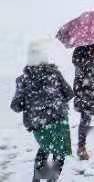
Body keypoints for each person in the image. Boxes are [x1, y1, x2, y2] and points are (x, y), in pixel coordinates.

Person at [11, 40, 73, 181]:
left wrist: (28, 101)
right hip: (59, 120)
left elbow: (16, 106)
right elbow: (69, 93)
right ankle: (52, 179)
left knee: (45, 148)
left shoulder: (23, 80)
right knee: (59, 152)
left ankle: (36, 179)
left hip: (38, 123)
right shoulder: (54, 74)